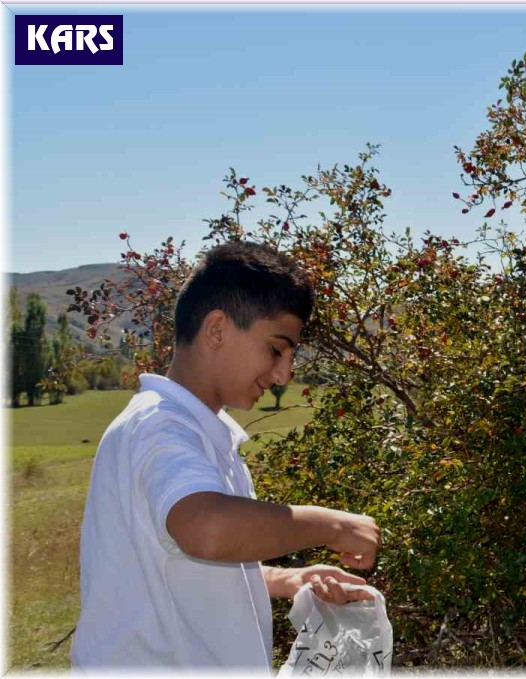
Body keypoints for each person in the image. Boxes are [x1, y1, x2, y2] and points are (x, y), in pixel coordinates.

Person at [71, 241, 382, 671]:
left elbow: (183, 568)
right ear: (216, 329)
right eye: (276, 349)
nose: (284, 375)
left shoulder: (198, 435)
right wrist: (334, 525)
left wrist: (285, 579)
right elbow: (207, 530)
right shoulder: (162, 428)